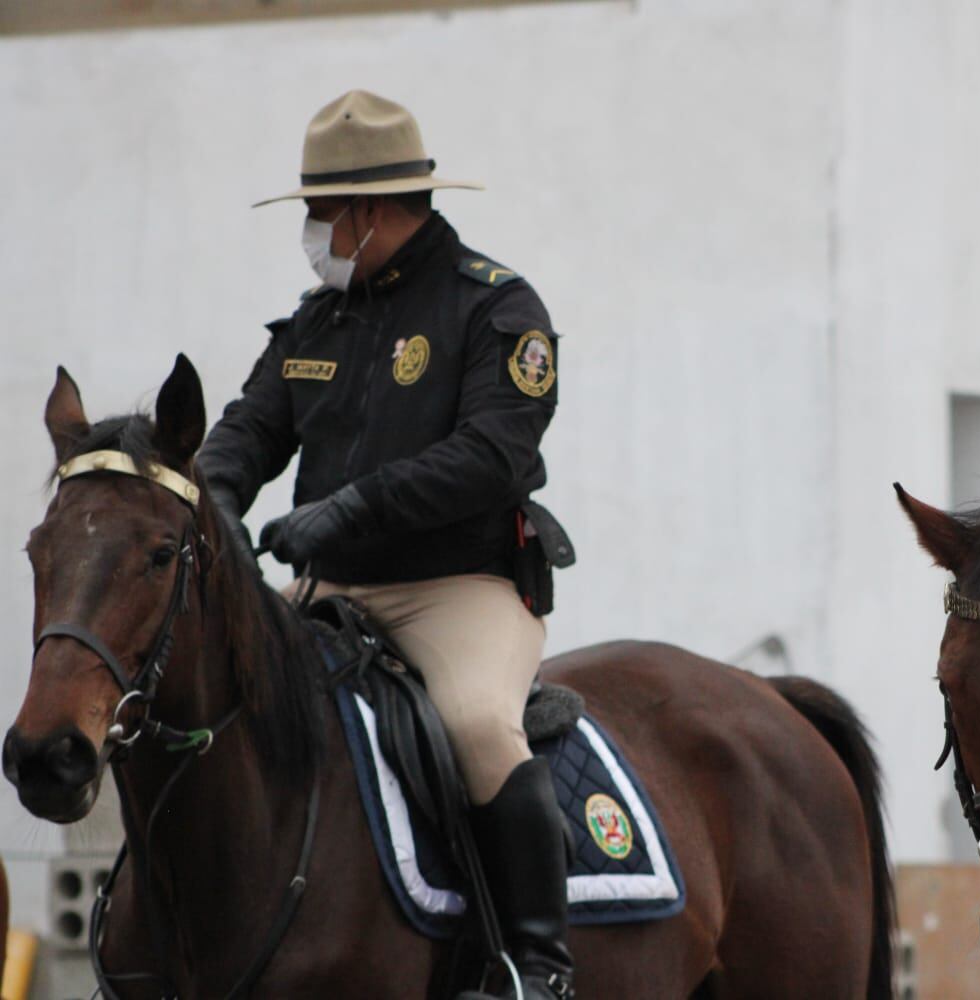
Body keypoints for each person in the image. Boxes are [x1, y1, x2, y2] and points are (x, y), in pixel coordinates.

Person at [196, 90, 573, 1000]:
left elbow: (494, 453)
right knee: (204, 702)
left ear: (365, 212)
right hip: (331, 588)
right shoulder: (316, 320)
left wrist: (351, 509)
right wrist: (207, 502)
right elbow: (249, 430)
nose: (313, 234)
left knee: (480, 726)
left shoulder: (496, 308)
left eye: (320, 215)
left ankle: (537, 966)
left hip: (460, 589)